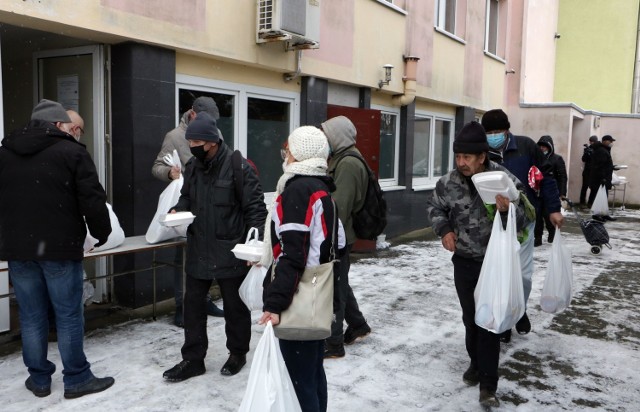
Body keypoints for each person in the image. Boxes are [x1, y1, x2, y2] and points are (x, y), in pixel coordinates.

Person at [0, 99, 115, 399]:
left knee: (31, 315)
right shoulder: (72, 152)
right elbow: (92, 198)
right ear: (59, 125)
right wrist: (101, 232)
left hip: (19, 250)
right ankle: (76, 378)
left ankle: (38, 379)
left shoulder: (5, 153)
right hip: (59, 248)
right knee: (67, 315)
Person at [427, 121, 533, 408]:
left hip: (495, 263)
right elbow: (435, 207)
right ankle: (475, 363)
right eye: (458, 157)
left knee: (488, 323)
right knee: (470, 318)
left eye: (467, 157)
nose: (462, 163)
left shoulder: (502, 179)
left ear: (482, 157)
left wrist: (508, 208)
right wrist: (444, 230)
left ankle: (488, 384)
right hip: (464, 262)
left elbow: (526, 216)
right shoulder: (448, 182)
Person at [163, 112, 267, 382]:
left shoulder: (239, 167)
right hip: (199, 248)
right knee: (193, 306)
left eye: (196, 142)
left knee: (235, 308)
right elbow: (186, 198)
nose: (192, 147)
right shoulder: (194, 168)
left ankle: (237, 354)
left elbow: (256, 210)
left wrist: (253, 246)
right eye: (190, 142)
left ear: (211, 142)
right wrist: (178, 209)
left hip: (230, 251)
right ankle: (193, 359)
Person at [259, 125, 341, 412]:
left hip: (299, 299)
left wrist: (275, 303)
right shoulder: (321, 188)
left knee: (299, 381)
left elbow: (294, 256)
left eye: (289, 148)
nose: (285, 154)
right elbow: (334, 242)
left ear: (299, 153)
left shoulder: (298, 191)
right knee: (312, 373)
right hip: (317, 296)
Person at [481, 109, 563, 343]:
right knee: (501, 273)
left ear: (507, 130)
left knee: (524, 275)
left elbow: (546, 177)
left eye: (497, 131)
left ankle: (520, 309)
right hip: (496, 223)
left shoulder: (526, 147)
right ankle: (506, 318)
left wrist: (553, 209)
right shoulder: (482, 153)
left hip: (525, 221)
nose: (493, 135)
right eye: (489, 132)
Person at [151, 96, 224, 327]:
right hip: (186, 203)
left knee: (208, 255)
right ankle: (182, 306)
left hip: (210, 206)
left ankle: (205, 299)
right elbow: (157, 166)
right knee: (184, 258)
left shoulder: (216, 134)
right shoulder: (174, 136)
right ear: (192, 114)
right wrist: (169, 173)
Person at [320, 115, 371, 359]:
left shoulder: (348, 164)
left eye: (326, 135)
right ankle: (358, 324)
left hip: (339, 236)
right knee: (340, 282)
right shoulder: (340, 159)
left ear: (337, 138)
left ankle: (334, 343)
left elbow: (339, 207)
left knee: (335, 290)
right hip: (337, 234)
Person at [534, 135, 567, 246]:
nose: (542, 149)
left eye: (545, 147)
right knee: (537, 216)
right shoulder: (535, 158)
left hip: (551, 193)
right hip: (537, 192)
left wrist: (562, 192)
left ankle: (552, 235)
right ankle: (537, 237)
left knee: (549, 215)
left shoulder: (557, 159)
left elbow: (562, 176)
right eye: (540, 147)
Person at [588, 134, 616, 221]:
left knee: (604, 197)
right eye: (610, 141)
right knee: (599, 197)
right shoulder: (601, 151)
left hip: (603, 178)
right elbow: (600, 166)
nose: (611, 143)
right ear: (605, 141)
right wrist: (603, 177)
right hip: (600, 179)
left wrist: (612, 167)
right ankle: (596, 215)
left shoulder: (605, 150)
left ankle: (604, 214)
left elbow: (605, 164)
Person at [579, 135, 598, 206]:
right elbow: (583, 159)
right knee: (585, 187)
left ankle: (591, 203)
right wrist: (587, 153)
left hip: (594, 171)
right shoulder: (588, 149)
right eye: (590, 142)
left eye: (592, 142)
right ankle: (582, 202)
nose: (591, 143)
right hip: (587, 171)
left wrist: (593, 154)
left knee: (594, 188)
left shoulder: (598, 149)